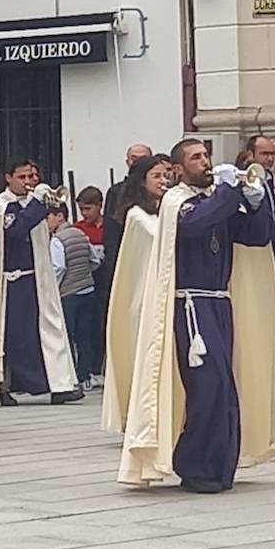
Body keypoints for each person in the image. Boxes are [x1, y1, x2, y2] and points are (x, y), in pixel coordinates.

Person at [119, 139, 275, 493]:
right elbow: (198, 224)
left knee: (226, 388)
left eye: (206, 156)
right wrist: (230, 194)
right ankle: (194, 464)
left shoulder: (213, 199)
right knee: (208, 385)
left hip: (219, 303)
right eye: (195, 158)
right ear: (178, 169)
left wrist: (257, 202)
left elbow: (256, 237)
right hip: (191, 305)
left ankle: (219, 466)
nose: (205, 163)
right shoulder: (176, 202)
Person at [0, 161, 81, 406]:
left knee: (50, 329)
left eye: (33, 175)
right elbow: (16, 230)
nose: (29, 180)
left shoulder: (31, 201)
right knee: (17, 336)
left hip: (38, 277)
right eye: (22, 176)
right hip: (14, 280)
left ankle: (60, 383)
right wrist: (38, 204)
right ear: (9, 178)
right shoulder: (3, 205)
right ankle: (6, 384)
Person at [101, 153, 170, 432]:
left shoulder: (167, 208)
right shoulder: (136, 215)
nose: (163, 181)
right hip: (143, 295)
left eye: (165, 175)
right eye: (156, 176)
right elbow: (159, 236)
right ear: (141, 182)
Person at [47, 203, 99, 391]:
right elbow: (94, 259)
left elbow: (58, 267)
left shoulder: (57, 240)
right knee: (85, 336)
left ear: (59, 216)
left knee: (67, 336)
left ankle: (69, 376)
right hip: (88, 290)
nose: (47, 223)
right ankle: (85, 375)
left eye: (49, 218)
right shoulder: (80, 234)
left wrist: (54, 287)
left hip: (69, 294)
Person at [102, 145, 154, 329]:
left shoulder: (160, 192)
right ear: (127, 161)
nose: (138, 162)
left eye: (143, 158)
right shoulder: (116, 192)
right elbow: (111, 232)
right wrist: (112, 264)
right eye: (134, 158)